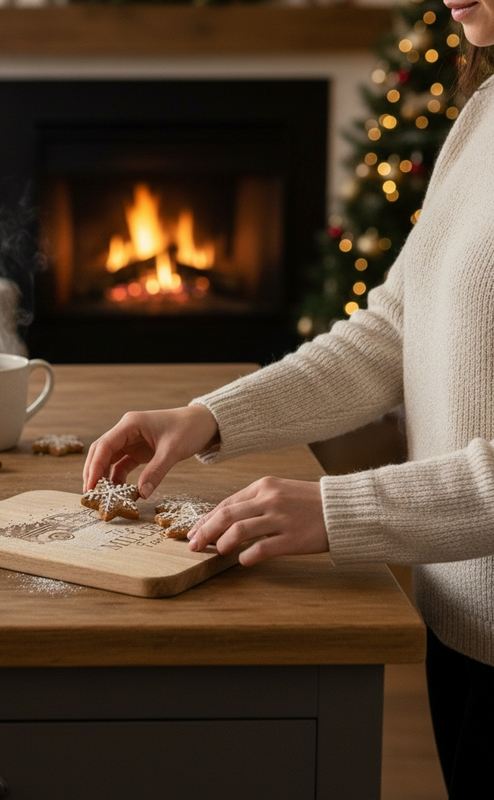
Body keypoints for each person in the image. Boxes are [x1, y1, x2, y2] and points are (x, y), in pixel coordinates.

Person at [83, 3, 494, 796]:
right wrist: (207, 417)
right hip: (461, 621)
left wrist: (339, 512)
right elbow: (391, 331)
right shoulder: (483, 114)